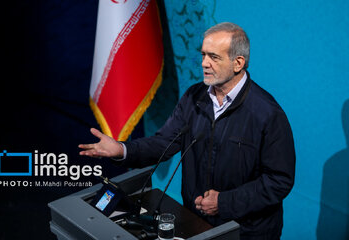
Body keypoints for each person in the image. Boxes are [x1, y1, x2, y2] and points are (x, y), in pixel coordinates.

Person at [79, 22, 295, 240]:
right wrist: (122, 150)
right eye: (203, 55)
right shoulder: (194, 97)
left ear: (238, 63)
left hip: (246, 232)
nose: (204, 64)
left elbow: (279, 180)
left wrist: (224, 202)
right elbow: (164, 142)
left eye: (214, 57)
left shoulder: (267, 114)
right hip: (196, 222)